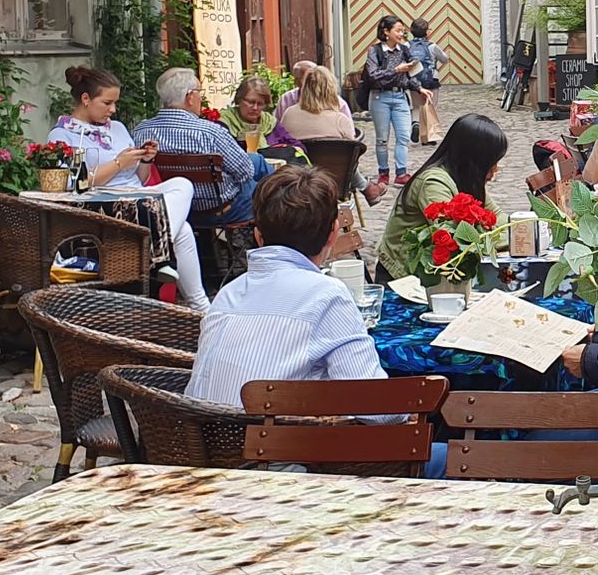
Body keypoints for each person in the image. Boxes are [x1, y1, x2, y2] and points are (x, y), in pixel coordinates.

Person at [184, 166, 448, 478]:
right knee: (451, 454)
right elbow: (378, 412)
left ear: (258, 235)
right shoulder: (326, 295)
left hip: (206, 458)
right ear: (333, 234)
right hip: (285, 469)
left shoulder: (228, 294)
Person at [49, 66, 211, 311]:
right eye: (107, 103)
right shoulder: (64, 135)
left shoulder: (118, 128)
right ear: (85, 99)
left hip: (138, 201)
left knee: (182, 185)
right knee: (183, 230)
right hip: (104, 207)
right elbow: (74, 184)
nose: (113, 110)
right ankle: (195, 300)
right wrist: (117, 164)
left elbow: (141, 178)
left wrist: (145, 159)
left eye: (115, 103)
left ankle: (159, 254)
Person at [373, 113, 509, 283]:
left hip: (435, 276)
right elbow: (458, 242)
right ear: (474, 160)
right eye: (492, 162)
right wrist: (510, 237)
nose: (496, 169)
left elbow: (499, 217)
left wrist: (517, 231)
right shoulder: (433, 183)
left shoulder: (465, 177)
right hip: (403, 279)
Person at [132, 67, 272, 227]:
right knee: (269, 190)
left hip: (172, 209)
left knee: (256, 160)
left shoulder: (141, 131)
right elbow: (245, 174)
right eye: (200, 92)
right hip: (219, 210)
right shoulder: (210, 132)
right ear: (190, 97)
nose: (201, 97)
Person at [279, 65, 386, 204]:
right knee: (346, 157)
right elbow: (353, 155)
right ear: (331, 90)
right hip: (332, 183)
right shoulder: (340, 120)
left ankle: (367, 188)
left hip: (295, 183)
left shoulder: (289, 115)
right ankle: (367, 188)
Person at [362, 15, 423, 186]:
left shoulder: (404, 50)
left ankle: (401, 172)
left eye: (403, 30)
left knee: (403, 136)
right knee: (382, 138)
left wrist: (419, 88)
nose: (402, 33)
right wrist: (396, 70)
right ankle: (383, 172)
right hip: (380, 97)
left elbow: (409, 75)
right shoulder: (375, 51)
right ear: (386, 32)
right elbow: (373, 76)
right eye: (398, 30)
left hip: (400, 97)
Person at [221, 76, 298, 150]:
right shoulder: (224, 122)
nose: (255, 108)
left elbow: (297, 146)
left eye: (260, 104)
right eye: (251, 102)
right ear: (239, 99)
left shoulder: (269, 122)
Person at [408, 18, 451, 144]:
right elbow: (445, 59)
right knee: (430, 106)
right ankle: (428, 138)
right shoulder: (432, 46)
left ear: (411, 31)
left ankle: (415, 123)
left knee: (416, 106)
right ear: (427, 32)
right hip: (431, 79)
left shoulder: (407, 46)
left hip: (414, 79)